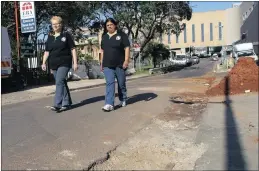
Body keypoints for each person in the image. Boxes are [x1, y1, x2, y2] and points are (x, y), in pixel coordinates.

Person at [41, 16, 78, 112]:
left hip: (65, 62)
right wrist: (43, 62)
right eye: (53, 24)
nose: (55, 26)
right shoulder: (50, 36)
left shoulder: (66, 35)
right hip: (53, 63)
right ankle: (67, 103)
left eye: (57, 24)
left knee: (59, 81)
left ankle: (57, 104)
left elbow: (73, 49)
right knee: (62, 82)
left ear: (61, 24)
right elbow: (47, 51)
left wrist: (75, 62)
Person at [100, 18, 130, 112]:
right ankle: (109, 104)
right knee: (110, 83)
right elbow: (102, 51)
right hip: (107, 64)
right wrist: (101, 63)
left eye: (111, 24)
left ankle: (123, 98)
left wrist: (126, 60)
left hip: (119, 64)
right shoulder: (104, 37)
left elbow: (127, 47)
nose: (109, 26)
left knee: (121, 83)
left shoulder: (121, 35)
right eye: (107, 25)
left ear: (115, 25)